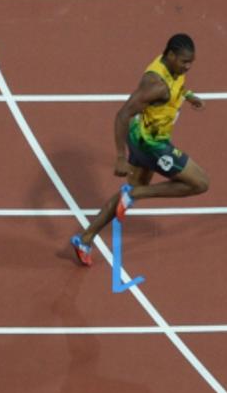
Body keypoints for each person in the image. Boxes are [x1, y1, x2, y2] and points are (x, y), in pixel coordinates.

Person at [71, 33, 211, 266]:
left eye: (191, 62)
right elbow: (122, 114)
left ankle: (84, 239)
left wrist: (187, 95)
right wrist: (120, 157)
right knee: (200, 183)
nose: (188, 67)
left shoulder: (171, 68)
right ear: (171, 55)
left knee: (129, 191)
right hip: (152, 146)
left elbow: (177, 84)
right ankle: (136, 194)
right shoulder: (156, 86)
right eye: (184, 62)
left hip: (140, 137)